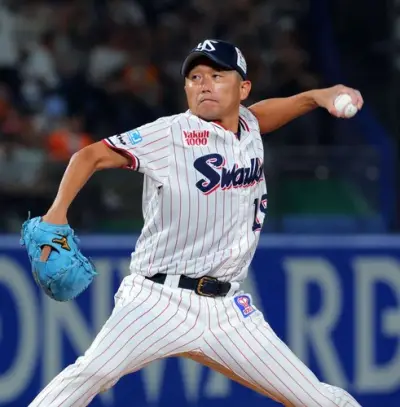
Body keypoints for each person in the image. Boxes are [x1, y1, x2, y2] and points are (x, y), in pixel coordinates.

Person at [30, 39, 363, 406]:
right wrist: (56, 212)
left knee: (318, 399)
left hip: (226, 310)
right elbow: (88, 156)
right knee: (92, 373)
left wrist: (317, 96)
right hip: (157, 299)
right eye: (195, 77)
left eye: (217, 76)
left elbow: (263, 115)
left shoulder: (249, 125)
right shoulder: (169, 134)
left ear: (243, 88)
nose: (204, 84)